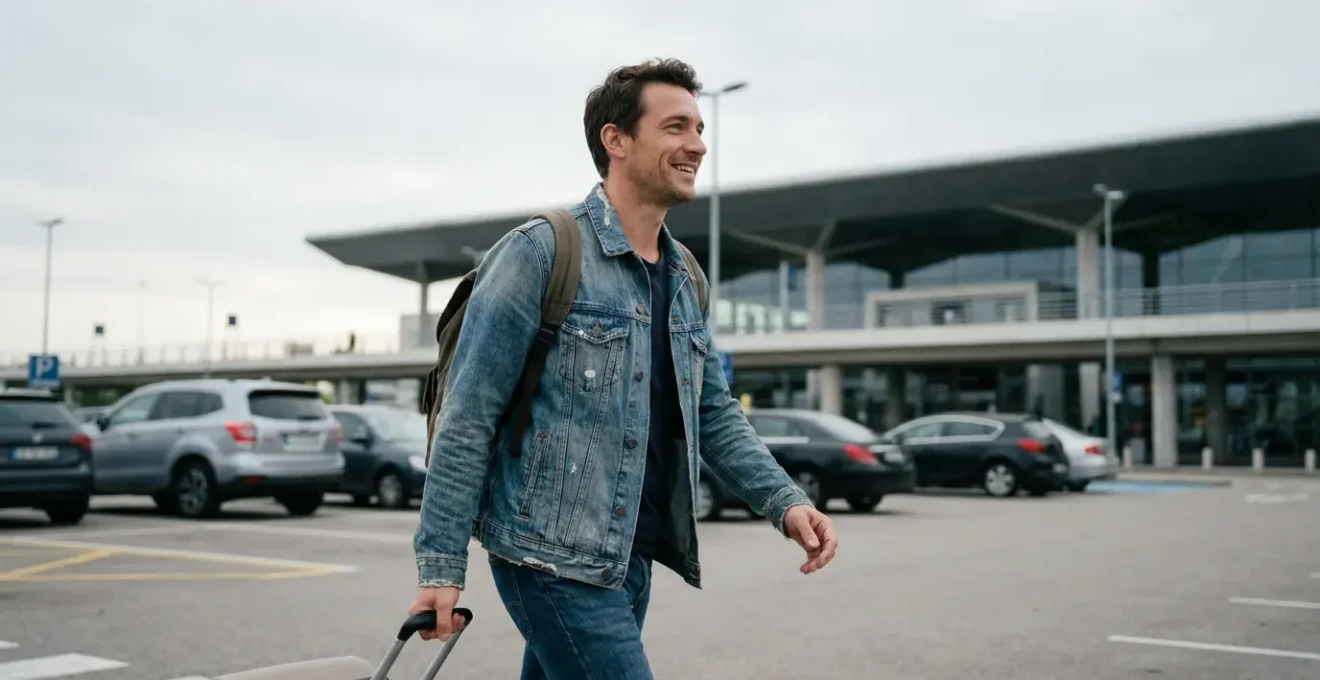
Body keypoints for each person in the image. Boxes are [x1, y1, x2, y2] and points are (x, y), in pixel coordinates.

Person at [406, 57, 839, 679]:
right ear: (616, 140)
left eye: (698, 127)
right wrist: (441, 568)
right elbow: (467, 416)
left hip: (628, 556)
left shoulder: (686, 276)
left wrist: (784, 501)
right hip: (547, 557)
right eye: (675, 127)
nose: (697, 143)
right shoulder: (541, 253)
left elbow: (712, 412)